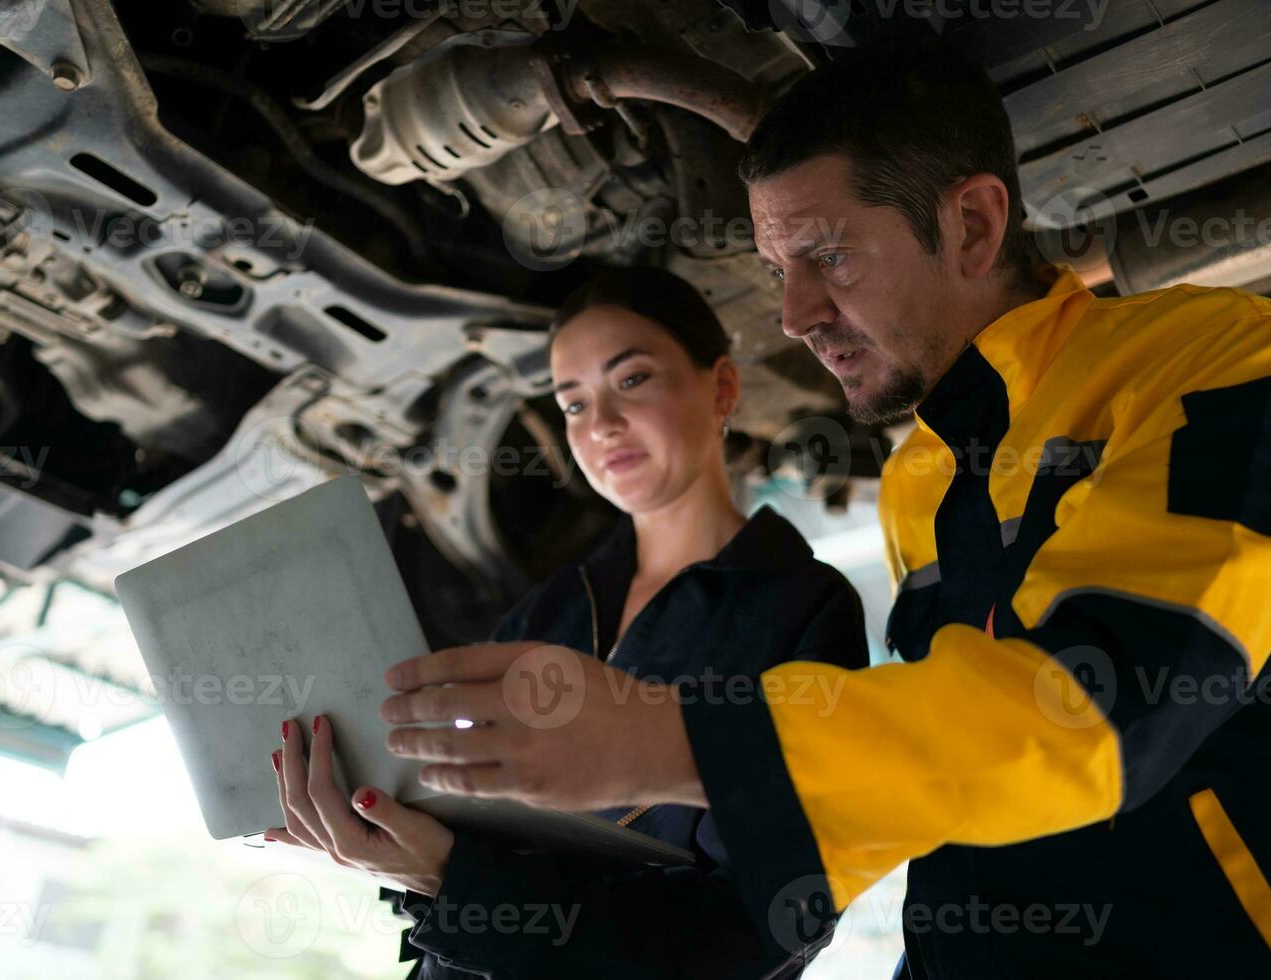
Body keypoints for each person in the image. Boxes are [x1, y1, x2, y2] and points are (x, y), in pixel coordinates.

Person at [377, 49, 1271, 980]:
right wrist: (458, 871)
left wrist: (659, 736)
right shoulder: (918, 480)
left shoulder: (1221, 360)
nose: (795, 313)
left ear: (972, 225)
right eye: (776, 270)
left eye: (830, 255)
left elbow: (1095, 716)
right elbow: (894, 803)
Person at [265, 266, 869, 978]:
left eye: (632, 379)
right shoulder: (542, 613)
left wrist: (456, 885)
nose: (601, 424)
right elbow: (476, 843)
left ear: (723, 388)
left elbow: (759, 930)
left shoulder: (800, 606)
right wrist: (395, 842)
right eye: (573, 403)